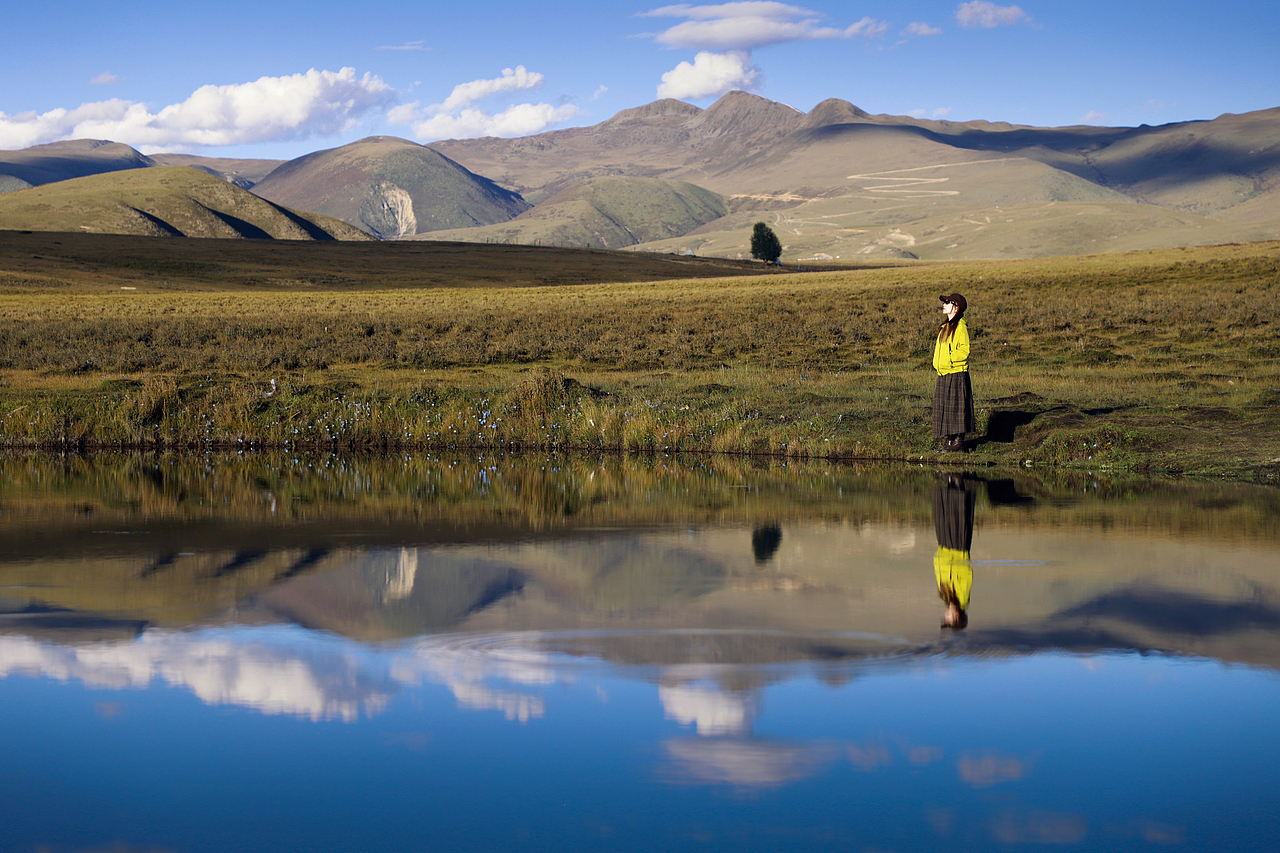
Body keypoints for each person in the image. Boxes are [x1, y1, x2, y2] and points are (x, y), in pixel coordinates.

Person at [932, 292, 975, 452]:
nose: (944, 305)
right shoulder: (945, 327)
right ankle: (949, 441)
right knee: (946, 408)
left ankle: (958, 442)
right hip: (944, 373)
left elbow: (964, 350)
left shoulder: (960, 326)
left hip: (956, 372)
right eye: (944, 302)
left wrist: (949, 360)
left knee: (956, 408)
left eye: (947, 303)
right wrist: (938, 364)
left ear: (956, 308)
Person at [932, 472, 975, 630]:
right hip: (956, 550)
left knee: (946, 513)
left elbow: (940, 575)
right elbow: (966, 573)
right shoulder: (962, 598)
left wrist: (938, 558)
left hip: (944, 551)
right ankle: (956, 479)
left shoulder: (946, 597)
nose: (945, 616)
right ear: (956, 617)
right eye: (948, 619)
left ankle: (950, 480)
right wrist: (952, 560)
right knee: (957, 515)